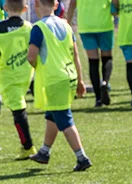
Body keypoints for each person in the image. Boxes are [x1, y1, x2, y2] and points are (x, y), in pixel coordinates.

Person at [28, 0, 91, 171]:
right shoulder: (66, 26)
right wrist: (80, 80)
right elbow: (76, 55)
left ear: (36, 5)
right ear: (56, 5)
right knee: (53, 115)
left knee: (64, 118)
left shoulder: (38, 28)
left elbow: (31, 57)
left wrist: (38, 68)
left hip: (54, 79)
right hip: (69, 75)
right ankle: (44, 152)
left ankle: (82, 157)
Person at [0, 0, 35, 159]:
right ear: (25, 8)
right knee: (18, 107)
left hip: (7, 76)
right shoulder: (29, 28)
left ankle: (28, 146)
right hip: (27, 74)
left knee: (18, 111)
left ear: (5, 8)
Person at [68, 0, 115, 107]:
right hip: (104, 22)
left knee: (93, 61)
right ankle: (105, 83)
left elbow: (72, 4)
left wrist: (67, 22)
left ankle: (98, 98)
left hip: (86, 24)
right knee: (107, 57)